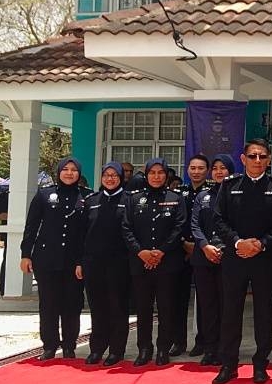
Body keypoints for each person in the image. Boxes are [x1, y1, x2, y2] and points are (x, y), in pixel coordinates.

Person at [211, 139, 272, 384]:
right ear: (243, 158)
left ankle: (260, 364)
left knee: (263, 313)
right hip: (235, 258)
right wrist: (238, 243)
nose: (257, 160)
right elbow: (219, 220)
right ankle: (229, 364)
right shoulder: (229, 186)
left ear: (269, 160)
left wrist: (261, 244)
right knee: (230, 312)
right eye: (253, 156)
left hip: (265, 259)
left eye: (262, 156)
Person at [20, 156, 90, 360]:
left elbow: (88, 232)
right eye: (65, 169)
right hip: (46, 259)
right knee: (48, 304)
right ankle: (49, 345)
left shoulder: (86, 196)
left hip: (74, 261)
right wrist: (26, 254)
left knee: (72, 304)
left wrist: (83, 261)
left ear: (79, 173)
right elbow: (31, 226)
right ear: (59, 172)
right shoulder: (44, 195)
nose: (69, 173)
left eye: (74, 170)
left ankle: (69, 345)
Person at [121, 158, 187, 367]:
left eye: (160, 173)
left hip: (167, 263)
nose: (157, 176)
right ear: (146, 175)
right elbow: (126, 228)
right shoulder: (134, 198)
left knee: (167, 308)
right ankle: (144, 348)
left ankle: (162, 348)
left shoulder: (175, 198)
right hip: (140, 262)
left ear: (166, 175)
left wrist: (160, 252)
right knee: (143, 309)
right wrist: (142, 252)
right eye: (152, 173)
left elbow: (179, 227)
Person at [77, 162, 130, 366]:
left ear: (120, 177)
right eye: (106, 175)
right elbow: (81, 235)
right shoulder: (91, 201)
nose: (110, 179)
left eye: (114, 175)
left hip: (119, 264)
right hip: (93, 263)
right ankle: (97, 348)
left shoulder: (129, 200)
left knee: (118, 307)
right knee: (97, 308)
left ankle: (116, 350)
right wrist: (80, 262)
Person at [189, 154, 235, 366]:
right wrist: (205, 246)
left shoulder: (236, 195)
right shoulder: (203, 196)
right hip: (204, 257)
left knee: (227, 306)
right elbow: (195, 224)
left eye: (223, 168)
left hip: (229, 257)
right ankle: (210, 348)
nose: (218, 171)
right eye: (215, 168)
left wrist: (226, 247)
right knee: (208, 306)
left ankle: (226, 349)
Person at [174, 153, 212, 358]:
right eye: (193, 168)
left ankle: (202, 340)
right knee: (178, 299)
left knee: (204, 301)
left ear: (207, 171)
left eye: (200, 168)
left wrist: (197, 245)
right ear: (187, 170)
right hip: (181, 251)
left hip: (203, 251)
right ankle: (178, 341)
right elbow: (174, 223)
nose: (196, 172)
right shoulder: (178, 192)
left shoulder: (211, 193)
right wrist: (183, 243)